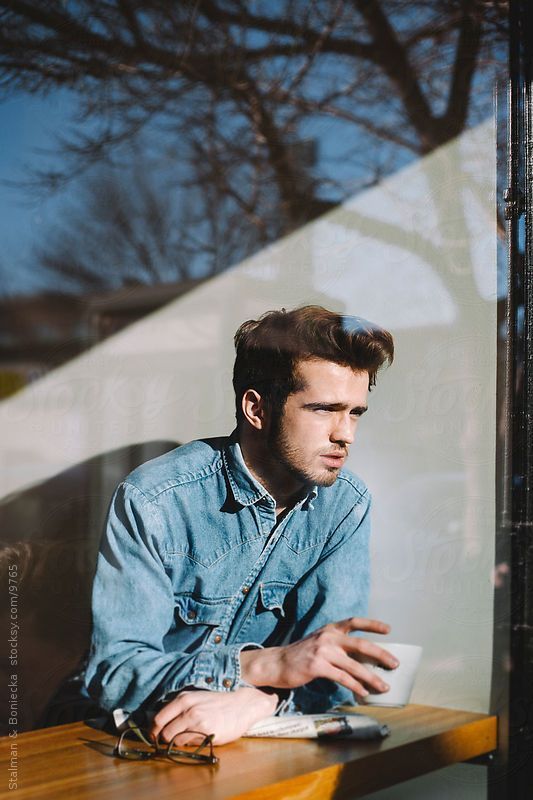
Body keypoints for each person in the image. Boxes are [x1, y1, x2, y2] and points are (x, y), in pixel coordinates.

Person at [85, 305, 397, 746]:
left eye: (355, 412)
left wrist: (258, 703)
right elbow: (114, 675)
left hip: (251, 744)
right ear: (256, 408)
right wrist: (263, 667)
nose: (345, 434)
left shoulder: (344, 505)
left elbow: (334, 675)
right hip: (124, 743)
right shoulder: (156, 500)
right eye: (325, 409)